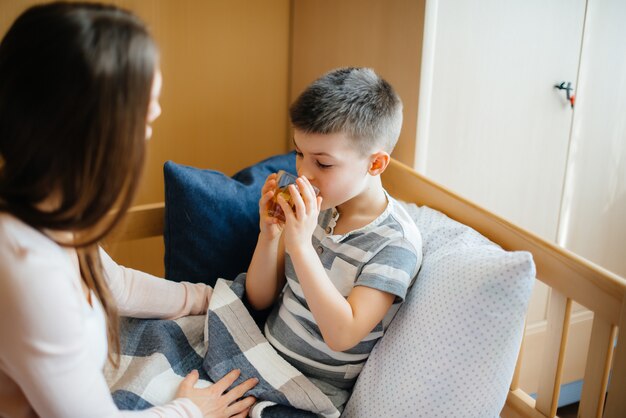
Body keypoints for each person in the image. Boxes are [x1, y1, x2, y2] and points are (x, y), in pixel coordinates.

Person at [0, 3, 257, 417]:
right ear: (95, 132)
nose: (155, 115)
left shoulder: (44, 208)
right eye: (145, 114)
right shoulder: (27, 271)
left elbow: (112, 282)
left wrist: (207, 298)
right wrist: (191, 411)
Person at [245, 67, 423, 409]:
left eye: (323, 164)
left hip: (312, 394)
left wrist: (300, 246)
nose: (303, 173)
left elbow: (342, 335)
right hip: (261, 358)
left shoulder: (395, 243)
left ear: (375, 164)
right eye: (299, 153)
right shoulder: (320, 207)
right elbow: (259, 298)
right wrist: (269, 237)